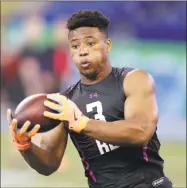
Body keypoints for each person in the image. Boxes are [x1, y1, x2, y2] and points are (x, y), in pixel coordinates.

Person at [7, 10, 173, 188]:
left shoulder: (133, 79)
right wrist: (26, 146)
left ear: (107, 45)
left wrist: (83, 123)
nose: (83, 52)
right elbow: (49, 164)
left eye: (90, 43)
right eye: (75, 46)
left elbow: (141, 131)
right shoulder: (64, 101)